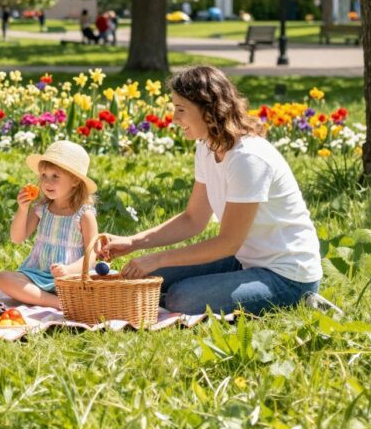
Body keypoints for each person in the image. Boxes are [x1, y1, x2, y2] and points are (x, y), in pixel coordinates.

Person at [103, 65, 322, 314]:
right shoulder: (207, 147)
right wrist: (132, 242)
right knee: (149, 277)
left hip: (287, 276)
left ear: (208, 109)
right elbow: (193, 219)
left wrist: (158, 257)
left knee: (182, 299)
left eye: (181, 109)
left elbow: (228, 242)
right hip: (244, 260)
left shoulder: (248, 158)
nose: (174, 118)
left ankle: (303, 300)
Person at [0, 141, 100, 309]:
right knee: (2, 278)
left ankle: (40, 297)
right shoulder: (41, 209)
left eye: (55, 176)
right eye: (43, 175)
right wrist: (22, 209)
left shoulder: (84, 215)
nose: (47, 182)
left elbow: (92, 254)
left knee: (94, 288)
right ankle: (58, 303)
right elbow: (17, 238)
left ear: (74, 181)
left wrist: (69, 270)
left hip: (69, 278)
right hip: (37, 274)